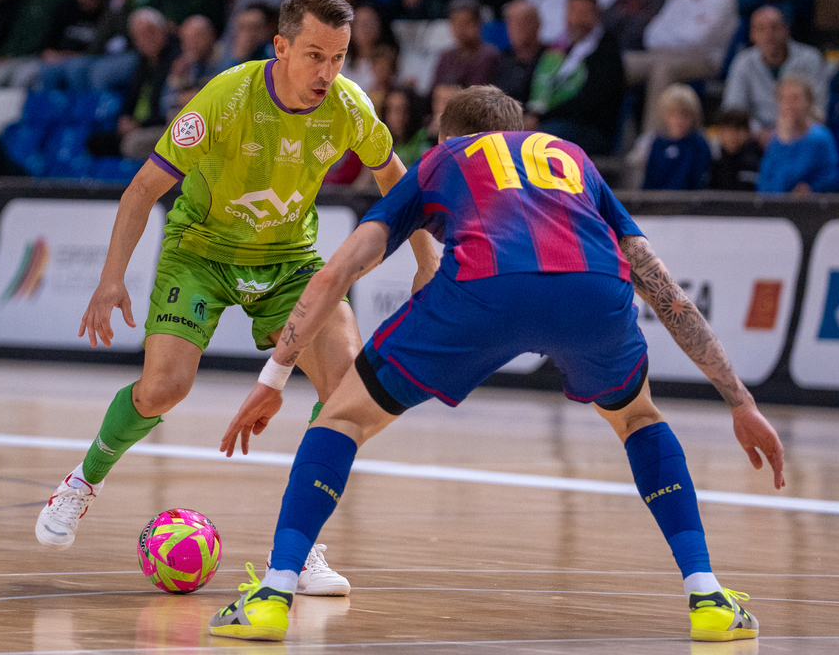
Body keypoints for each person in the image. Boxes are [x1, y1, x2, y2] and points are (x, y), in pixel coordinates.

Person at [209, 84, 785, 642]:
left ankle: (274, 593)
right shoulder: (571, 156)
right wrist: (741, 400)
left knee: (342, 418)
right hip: (593, 292)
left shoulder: (442, 159)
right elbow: (666, 293)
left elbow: (337, 273)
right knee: (639, 419)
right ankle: (707, 596)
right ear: (517, 131)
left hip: (483, 290)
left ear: (447, 136)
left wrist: (275, 376)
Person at [33, 0, 439, 600]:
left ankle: (301, 551)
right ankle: (82, 482)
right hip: (200, 251)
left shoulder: (350, 107)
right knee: (165, 386)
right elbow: (142, 189)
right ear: (279, 47)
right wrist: (111, 277)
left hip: (288, 262)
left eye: (338, 58)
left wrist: (426, 260)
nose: (327, 73)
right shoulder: (226, 97)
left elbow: (396, 183)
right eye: (313, 56)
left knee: (346, 389)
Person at [625, 0, 738, 132]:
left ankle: (651, 139)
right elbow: (651, 35)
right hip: (663, 54)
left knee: (662, 69)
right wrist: (678, 37)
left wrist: (671, 37)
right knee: (619, 63)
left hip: (703, 60)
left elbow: (698, 39)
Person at [528, 0, 625, 155]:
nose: (577, 19)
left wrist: (541, 117)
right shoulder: (555, 48)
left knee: (542, 139)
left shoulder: (606, 50)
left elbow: (591, 101)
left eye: (584, 13)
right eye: (573, 12)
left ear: (596, 16)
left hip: (588, 129)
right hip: (548, 120)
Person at [87, 8, 180, 160]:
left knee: (132, 144)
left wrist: (139, 125)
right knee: (95, 141)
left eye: (150, 32)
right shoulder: (142, 64)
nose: (145, 39)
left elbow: (167, 107)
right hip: (138, 126)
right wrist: (125, 119)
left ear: (162, 30)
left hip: (159, 127)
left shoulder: (175, 61)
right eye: (139, 36)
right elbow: (131, 97)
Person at [722, 6, 827, 136]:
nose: (768, 35)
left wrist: (790, 132)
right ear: (752, 35)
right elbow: (734, 109)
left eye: (775, 27)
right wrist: (760, 132)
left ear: (786, 30)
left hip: (801, 134)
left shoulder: (811, 58)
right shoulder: (742, 62)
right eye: (761, 29)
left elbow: (819, 108)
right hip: (758, 137)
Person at [757, 76, 839, 194]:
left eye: (795, 98)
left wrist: (811, 190)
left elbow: (829, 179)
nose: (789, 105)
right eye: (784, 99)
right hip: (776, 208)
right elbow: (766, 186)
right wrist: (785, 141)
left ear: (808, 102)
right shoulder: (775, 141)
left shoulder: (820, 138)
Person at [641, 83, 712, 190]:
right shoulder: (656, 143)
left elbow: (699, 181)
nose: (679, 120)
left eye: (684, 114)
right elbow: (649, 182)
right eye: (673, 114)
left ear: (694, 115)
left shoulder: (699, 145)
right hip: (657, 204)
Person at [432, 0, 501, 89]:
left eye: (465, 23)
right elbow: (433, 93)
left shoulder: (489, 56)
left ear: (478, 24)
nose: (460, 29)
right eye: (455, 23)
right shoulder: (446, 57)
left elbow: (478, 96)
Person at [495, 0, 544, 106]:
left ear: (538, 24)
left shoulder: (550, 58)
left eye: (523, 22)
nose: (516, 28)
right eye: (511, 22)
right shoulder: (503, 58)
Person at [710, 108, 761, 192]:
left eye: (737, 130)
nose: (732, 135)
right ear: (720, 133)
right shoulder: (714, 163)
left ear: (747, 133)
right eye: (728, 130)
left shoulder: (754, 162)